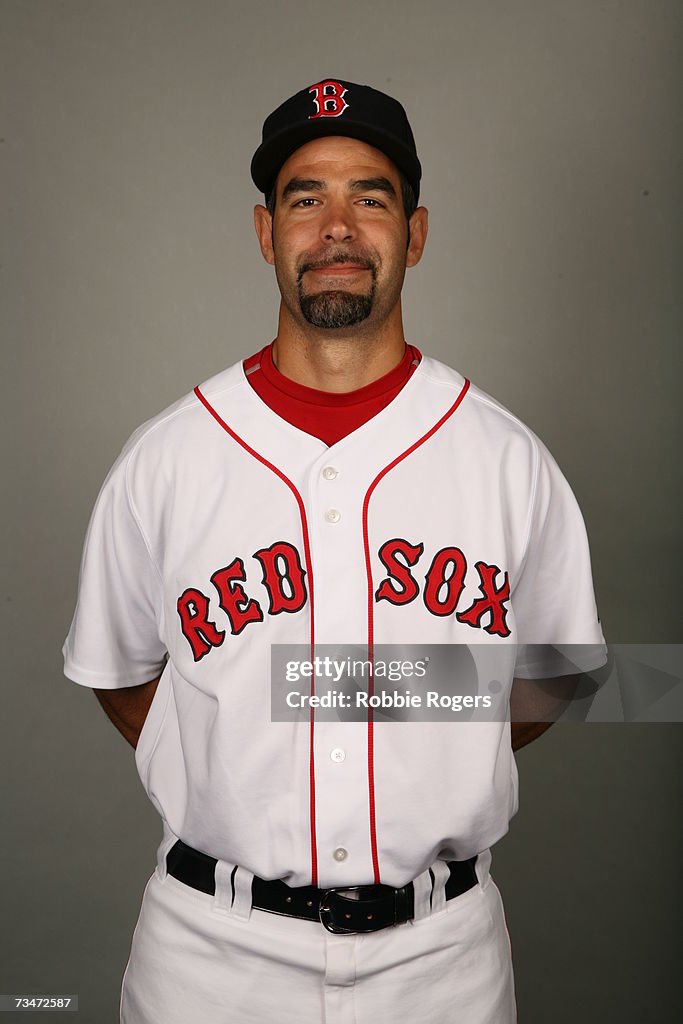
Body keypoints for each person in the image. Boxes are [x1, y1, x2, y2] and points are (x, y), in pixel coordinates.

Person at [63, 78, 607, 1024]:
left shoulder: (506, 457)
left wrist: (433, 723)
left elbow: (556, 673)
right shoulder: (166, 458)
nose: (337, 227)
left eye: (371, 195)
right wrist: (227, 749)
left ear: (417, 232)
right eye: (305, 197)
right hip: (209, 960)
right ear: (267, 232)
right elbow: (121, 676)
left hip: (444, 966)